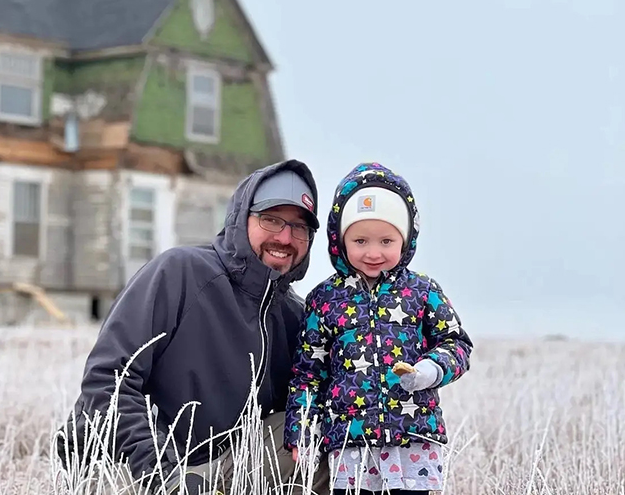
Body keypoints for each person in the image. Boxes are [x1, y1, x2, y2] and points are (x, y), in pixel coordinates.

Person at [57, 160, 327, 494]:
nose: (285, 237)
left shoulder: (293, 316)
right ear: (242, 219)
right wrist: (164, 476)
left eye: (299, 227)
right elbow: (107, 383)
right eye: (271, 219)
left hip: (221, 471)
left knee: (317, 436)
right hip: (132, 464)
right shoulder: (179, 273)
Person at [284, 162, 473, 495]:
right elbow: (309, 373)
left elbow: (456, 344)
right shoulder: (325, 299)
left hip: (413, 437)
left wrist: (430, 370)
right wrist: (300, 429)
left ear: (406, 239)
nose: (373, 253)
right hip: (350, 445)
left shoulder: (422, 291)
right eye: (360, 240)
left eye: (386, 240)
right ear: (340, 241)